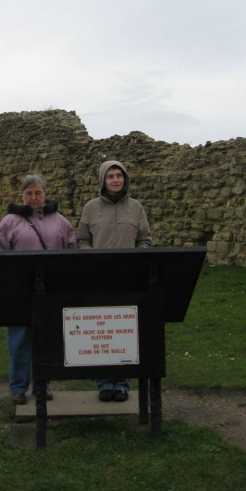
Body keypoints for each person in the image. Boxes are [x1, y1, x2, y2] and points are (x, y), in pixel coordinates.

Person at [0, 173, 77, 404]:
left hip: (50, 292)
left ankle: (42, 384)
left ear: (44, 195)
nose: (33, 198)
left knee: (46, 340)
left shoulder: (60, 222)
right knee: (19, 341)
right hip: (19, 292)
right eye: (29, 193)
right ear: (22, 196)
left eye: (38, 193)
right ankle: (18, 387)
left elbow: (72, 253)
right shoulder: (9, 222)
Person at [77, 159, 152, 402]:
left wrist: (136, 261)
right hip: (99, 278)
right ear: (103, 180)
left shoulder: (136, 208)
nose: (115, 180)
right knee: (102, 330)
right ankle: (104, 382)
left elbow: (145, 240)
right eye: (110, 176)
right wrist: (92, 259)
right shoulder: (90, 208)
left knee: (126, 330)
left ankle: (123, 382)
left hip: (128, 278)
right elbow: (82, 240)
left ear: (125, 178)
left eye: (119, 175)